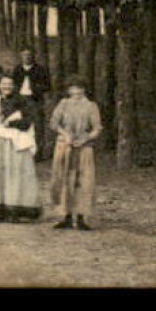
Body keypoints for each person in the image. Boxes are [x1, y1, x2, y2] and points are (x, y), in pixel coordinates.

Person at [0, 75, 42, 222]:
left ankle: (15, 209)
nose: (7, 87)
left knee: (15, 174)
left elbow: (27, 121)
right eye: (4, 84)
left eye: (10, 84)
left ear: (14, 86)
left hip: (15, 142)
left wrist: (11, 123)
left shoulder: (22, 101)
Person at [48, 77, 102, 230]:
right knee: (64, 179)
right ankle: (65, 215)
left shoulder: (91, 106)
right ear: (68, 90)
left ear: (84, 90)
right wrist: (65, 134)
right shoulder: (63, 104)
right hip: (64, 146)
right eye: (73, 88)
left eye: (80, 88)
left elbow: (97, 128)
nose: (76, 92)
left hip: (83, 148)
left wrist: (85, 139)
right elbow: (54, 123)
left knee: (83, 180)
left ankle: (80, 217)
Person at [11, 48, 53, 160]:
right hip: (20, 101)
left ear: (33, 56)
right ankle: (22, 150)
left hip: (35, 100)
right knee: (20, 124)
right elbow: (12, 85)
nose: (26, 57)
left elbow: (47, 86)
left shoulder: (40, 69)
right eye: (24, 55)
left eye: (29, 55)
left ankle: (38, 152)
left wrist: (35, 89)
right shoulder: (17, 69)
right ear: (21, 56)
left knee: (38, 126)